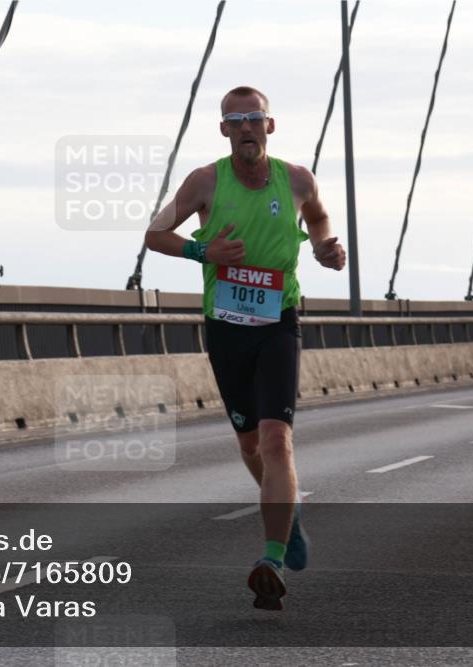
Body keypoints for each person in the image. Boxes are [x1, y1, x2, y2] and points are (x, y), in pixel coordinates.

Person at [144, 86, 346, 611]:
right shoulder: (205, 181)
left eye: (255, 118)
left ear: (269, 126)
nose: (247, 127)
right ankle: (290, 515)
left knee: (278, 442)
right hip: (227, 326)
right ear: (225, 131)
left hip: (279, 320)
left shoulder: (297, 179)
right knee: (251, 446)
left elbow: (320, 217)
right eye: (236, 120)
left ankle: (272, 557)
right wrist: (200, 250)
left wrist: (325, 246)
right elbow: (156, 233)